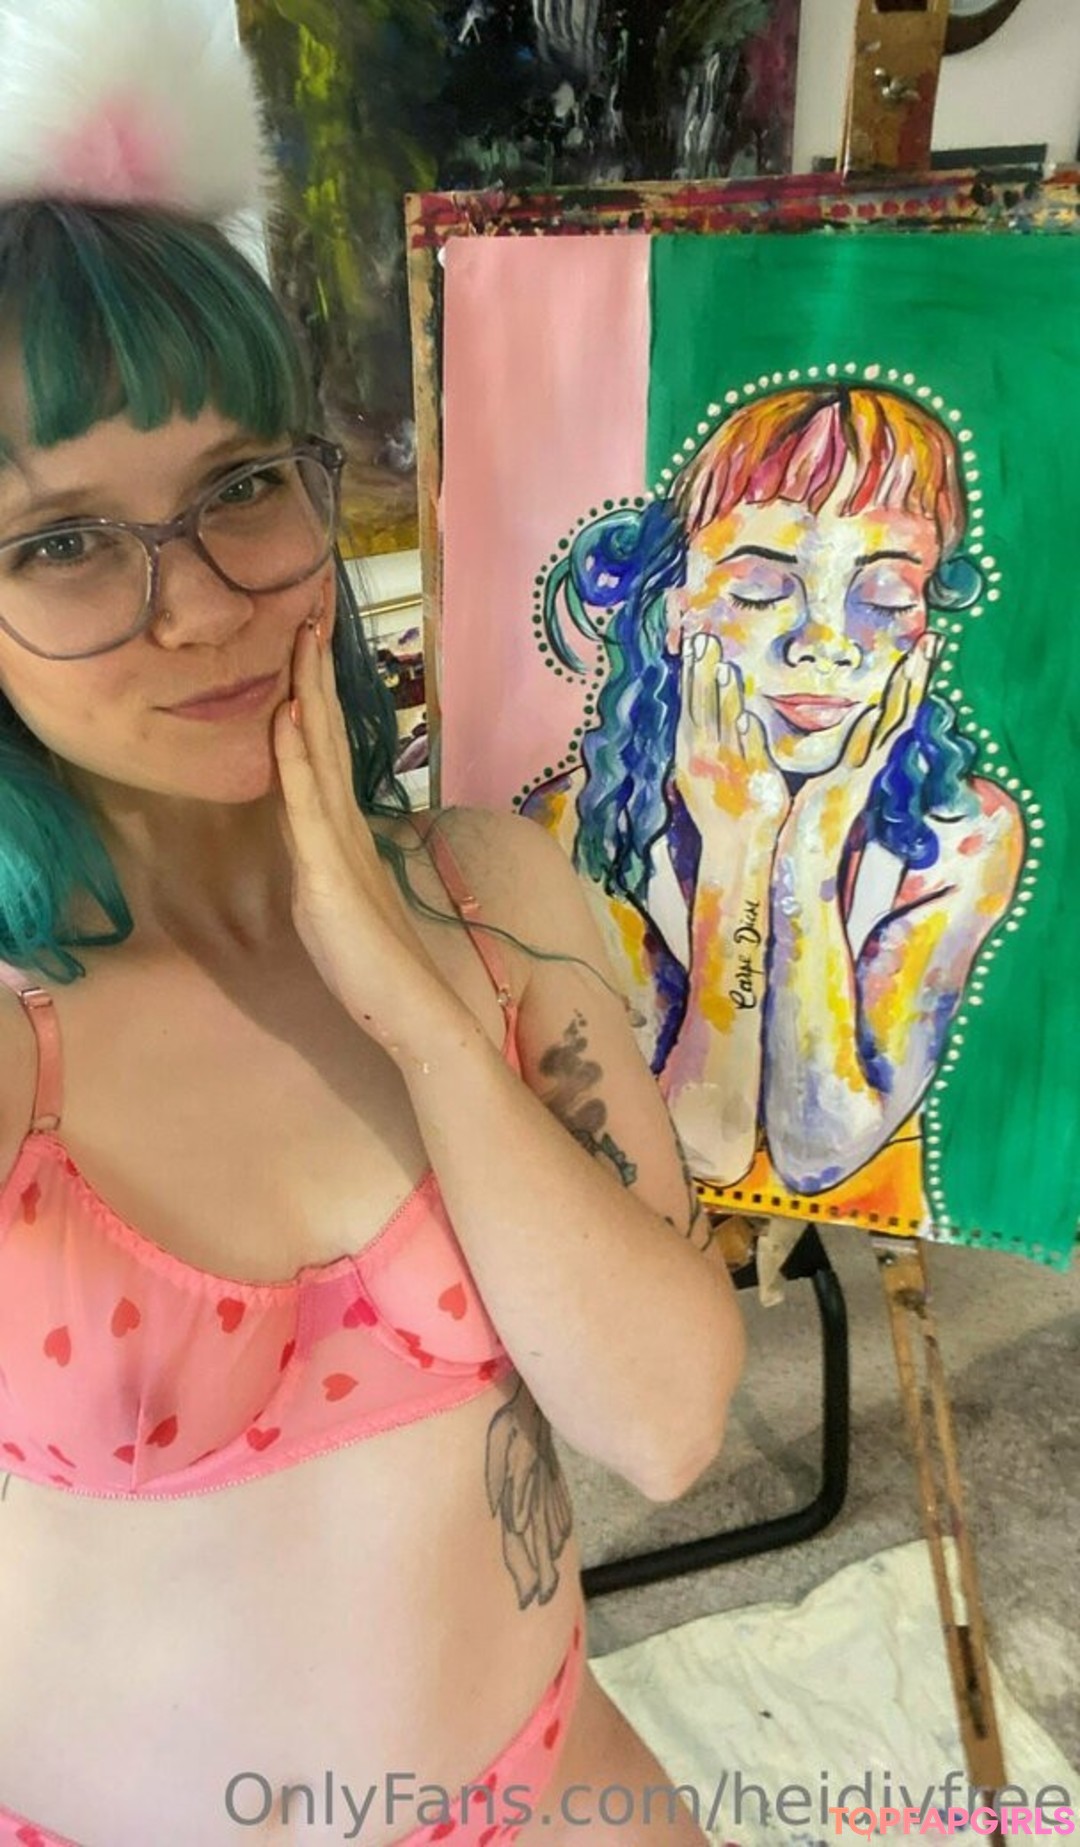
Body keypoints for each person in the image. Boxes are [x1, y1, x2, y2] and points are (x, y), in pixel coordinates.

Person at [0, 6, 745, 1843]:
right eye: (60, 542)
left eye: (240, 488)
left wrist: (412, 1010)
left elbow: (665, 1425)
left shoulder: (488, 899)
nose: (194, 607)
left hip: (553, 1788)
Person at [526, 384, 1025, 1214]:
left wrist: (810, 848)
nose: (824, 644)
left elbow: (819, 1148)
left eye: (884, 598)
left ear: (925, 633)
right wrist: (736, 846)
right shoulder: (576, 826)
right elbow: (703, 1144)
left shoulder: (964, 837)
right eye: (760, 589)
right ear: (677, 612)